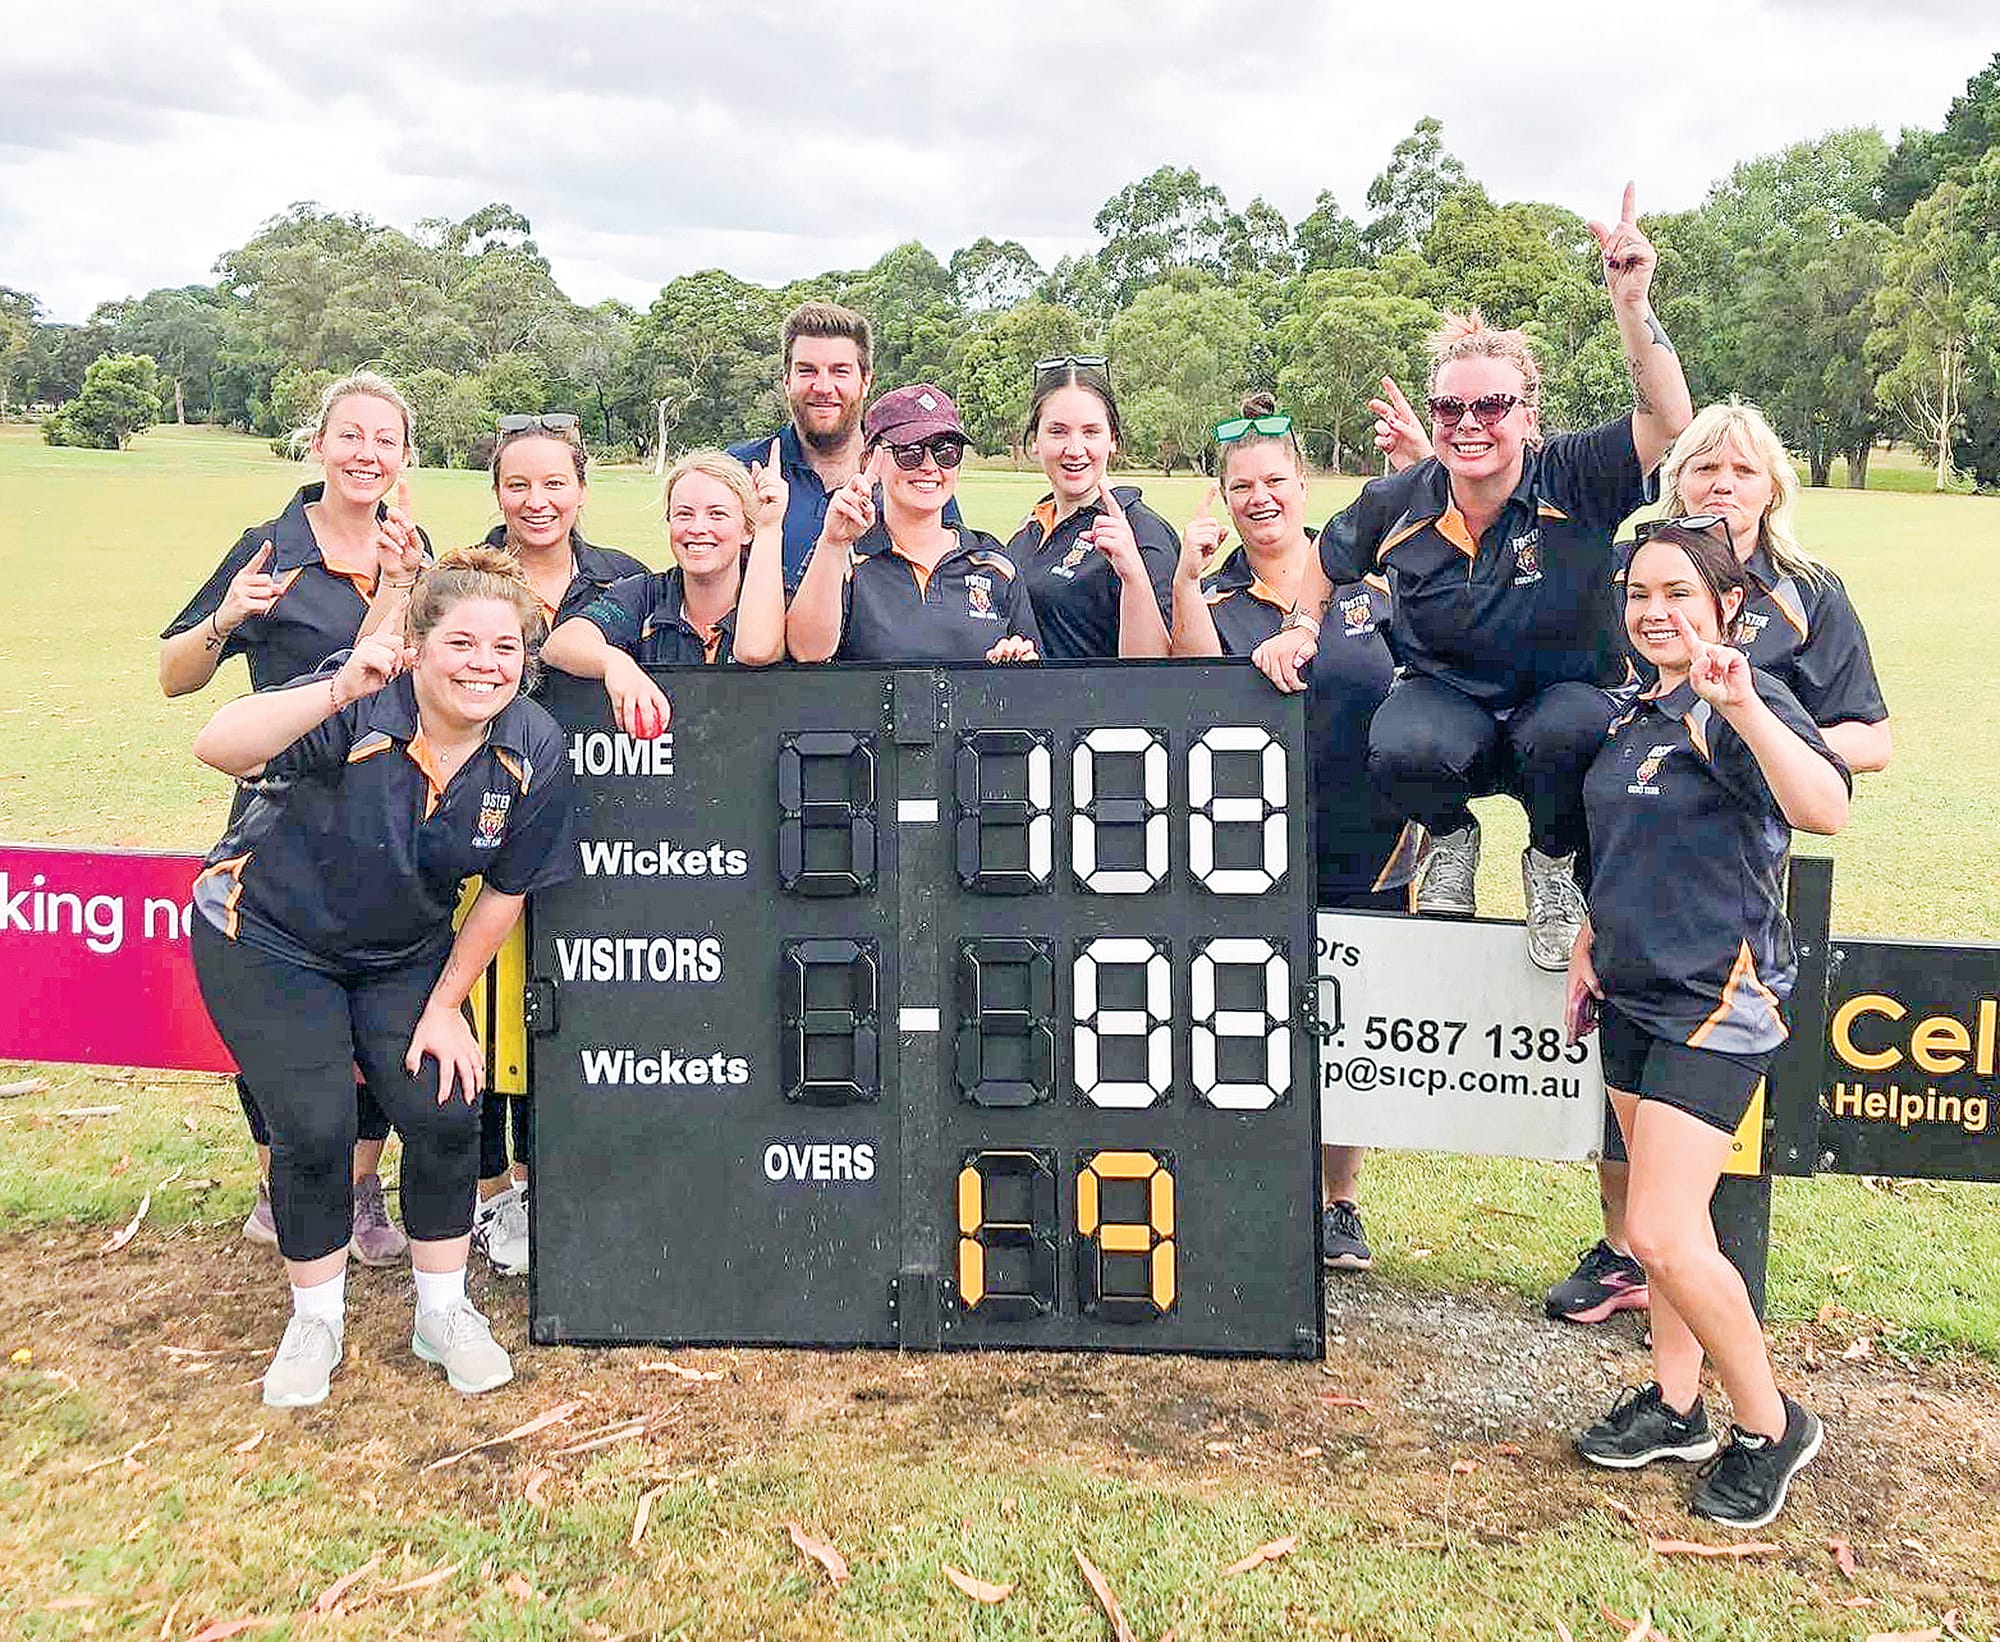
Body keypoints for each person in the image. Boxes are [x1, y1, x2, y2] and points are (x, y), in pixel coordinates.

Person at [1253, 186, 1693, 971]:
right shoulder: (1401, 497)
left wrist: (1632, 302)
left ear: (1528, 414)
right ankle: (1450, 838)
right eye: (1450, 408)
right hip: (1450, 707)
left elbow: (1667, 420)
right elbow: (1325, 565)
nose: (1468, 424)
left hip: (1561, 707)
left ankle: (1553, 860)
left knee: (1571, 732)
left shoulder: (1575, 476)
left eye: (1492, 406)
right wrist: (1299, 626)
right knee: (1398, 744)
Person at [189, 548, 575, 1408]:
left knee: (444, 1107)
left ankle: (443, 1311)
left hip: (401, 954)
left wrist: (446, 1006)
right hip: (268, 936)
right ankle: (314, 1319)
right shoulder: (361, 697)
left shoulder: (531, 744)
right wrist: (335, 690)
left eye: (505, 649)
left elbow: (504, 892)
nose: (484, 666)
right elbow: (214, 744)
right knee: (318, 1127)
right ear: (418, 645)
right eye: (462, 645)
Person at [1547, 399, 1893, 1325]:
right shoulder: (1649, 577)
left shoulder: (1808, 593)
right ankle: (1655, 1319)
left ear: (1771, 484)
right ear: (1678, 483)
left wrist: (1755, 732)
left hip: (1731, 904)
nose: (1722, 484)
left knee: (1690, 1190)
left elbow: (1866, 747)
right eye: (1704, 467)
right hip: (1640, 887)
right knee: (1642, 1151)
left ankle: (1716, 1341)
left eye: (1742, 470)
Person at [1568, 520, 1847, 1527]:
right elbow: (1626, 851)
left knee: (1658, 1228)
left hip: (1716, 1005)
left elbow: (1823, 808)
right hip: (1632, 996)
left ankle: (1772, 1426)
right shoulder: (1631, 711)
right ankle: (1677, 1406)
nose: (1655, 611)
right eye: (1639, 593)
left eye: (1678, 592)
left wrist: (1742, 703)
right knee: (1661, 1233)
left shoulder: (1736, 699)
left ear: (1724, 605)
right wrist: (1590, 945)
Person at [159, 370, 430, 1265]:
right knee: (284, 1010)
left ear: (403, 457)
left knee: (379, 1016)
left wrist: (406, 583)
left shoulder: (413, 547)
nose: (366, 453)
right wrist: (228, 616)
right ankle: (289, 1184)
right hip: (283, 816)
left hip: (389, 820)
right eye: (349, 435)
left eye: (384, 439)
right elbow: (176, 676)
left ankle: (359, 1187)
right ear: (319, 444)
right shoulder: (269, 548)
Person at [1170, 394, 1423, 1274]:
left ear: (1306, 485)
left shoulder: (1368, 582)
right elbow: (1195, 684)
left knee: (1344, 1027)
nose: (1260, 498)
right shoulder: (1219, 592)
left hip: (1374, 838)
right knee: (1245, 1016)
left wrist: (1419, 472)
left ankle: (1339, 1203)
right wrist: (1184, 584)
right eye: (1242, 486)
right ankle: (1252, 1190)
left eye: (1275, 480)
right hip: (1247, 842)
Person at [464, 412, 651, 1276]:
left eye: (554, 484)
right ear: (496, 491)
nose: (536, 502)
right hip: (470, 828)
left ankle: (545, 1189)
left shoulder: (625, 580)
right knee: (473, 1006)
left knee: (558, 1008)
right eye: (517, 484)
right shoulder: (460, 576)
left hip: (591, 832)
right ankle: (486, 1193)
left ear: (582, 488)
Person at [787, 385, 1041, 664]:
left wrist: (1017, 662)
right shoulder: (844, 555)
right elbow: (806, 652)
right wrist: (833, 543)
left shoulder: (994, 562)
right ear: (872, 459)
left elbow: (1034, 676)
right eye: (910, 451)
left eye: (946, 451)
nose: (930, 466)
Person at [544, 446, 788, 737]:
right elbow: (559, 644)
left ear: (748, 529)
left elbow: (758, 650)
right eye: (684, 514)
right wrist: (615, 663)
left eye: (717, 514)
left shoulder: (773, 597)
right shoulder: (645, 593)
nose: (698, 528)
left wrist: (770, 526)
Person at [727, 300, 959, 589]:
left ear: (866, 381)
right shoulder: (739, 470)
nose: (823, 387)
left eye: (840, 371)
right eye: (807, 371)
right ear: (786, 380)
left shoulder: (911, 472)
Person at [1006, 357, 1176, 659]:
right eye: (1058, 431)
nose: (1074, 449)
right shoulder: (1027, 532)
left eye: (1091, 432)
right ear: (1035, 441)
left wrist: (1132, 573)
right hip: (1030, 703)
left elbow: (1162, 673)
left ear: (1113, 440)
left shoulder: (1142, 531)